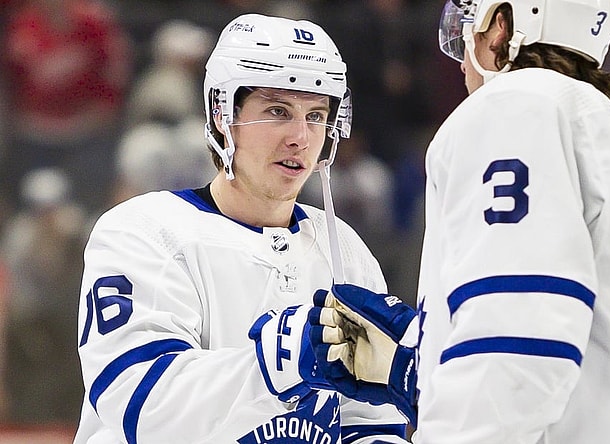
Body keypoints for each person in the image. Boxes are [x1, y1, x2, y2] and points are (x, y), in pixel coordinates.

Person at [310, 0, 610, 442]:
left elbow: (520, 336)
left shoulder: (513, 107)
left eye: (470, 25)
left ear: (502, 26)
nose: (462, 59)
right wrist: (413, 362)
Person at [74, 13, 408, 444]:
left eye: (317, 116)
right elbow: (141, 405)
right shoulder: (142, 232)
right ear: (221, 114)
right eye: (277, 111)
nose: (301, 138)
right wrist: (282, 361)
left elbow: (369, 421)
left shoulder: (343, 248)